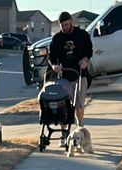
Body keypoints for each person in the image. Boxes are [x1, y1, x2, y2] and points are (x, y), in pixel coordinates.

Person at [48, 11, 92, 144]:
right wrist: (55, 65)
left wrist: (85, 60)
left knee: (79, 105)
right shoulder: (57, 39)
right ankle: (64, 134)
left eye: (67, 24)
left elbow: (89, 51)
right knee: (64, 107)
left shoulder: (82, 35)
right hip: (64, 77)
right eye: (62, 25)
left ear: (71, 22)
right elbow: (51, 57)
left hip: (80, 75)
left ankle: (80, 128)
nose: (65, 27)